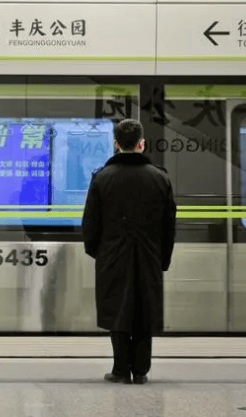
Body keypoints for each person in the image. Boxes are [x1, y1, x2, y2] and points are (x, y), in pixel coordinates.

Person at [82, 119, 176, 385]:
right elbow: (169, 225)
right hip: (149, 255)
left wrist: (99, 253)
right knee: (145, 309)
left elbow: (90, 224)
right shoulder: (160, 178)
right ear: (141, 144)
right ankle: (141, 370)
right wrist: (162, 259)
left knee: (118, 309)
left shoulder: (102, 178)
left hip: (112, 256)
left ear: (116, 144)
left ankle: (121, 369)